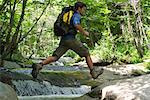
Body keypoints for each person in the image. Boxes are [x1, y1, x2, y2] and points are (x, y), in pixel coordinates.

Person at [31, 2, 104, 79]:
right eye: (83, 9)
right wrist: (84, 32)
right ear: (79, 8)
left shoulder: (70, 14)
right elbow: (76, 24)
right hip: (70, 39)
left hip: (64, 40)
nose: (84, 11)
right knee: (86, 53)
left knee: (55, 57)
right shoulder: (76, 15)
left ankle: (39, 65)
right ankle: (93, 72)